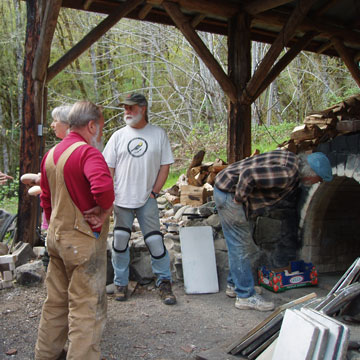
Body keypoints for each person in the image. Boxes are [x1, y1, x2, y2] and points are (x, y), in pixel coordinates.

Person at [35, 101, 115, 360]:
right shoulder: (88, 154)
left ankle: (45, 355)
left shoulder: (50, 154)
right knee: (85, 306)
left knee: (55, 303)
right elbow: (103, 189)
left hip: (56, 239)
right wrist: (103, 211)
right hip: (81, 243)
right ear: (91, 125)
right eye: (100, 127)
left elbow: (45, 199)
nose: (99, 132)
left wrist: (55, 227)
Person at [213, 150, 333, 312]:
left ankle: (235, 285)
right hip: (229, 194)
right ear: (311, 173)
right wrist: (238, 200)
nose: (315, 183)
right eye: (317, 179)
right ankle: (245, 296)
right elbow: (249, 174)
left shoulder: (292, 159)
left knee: (240, 244)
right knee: (240, 246)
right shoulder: (287, 173)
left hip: (227, 188)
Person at [102, 93, 176, 305]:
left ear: (143, 108)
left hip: (147, 198)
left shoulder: (158, 134)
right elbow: (109, 168)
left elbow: (165, 165)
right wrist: (110, 194)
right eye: (125, 108)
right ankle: (121, 284)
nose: (127, 112)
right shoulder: (117, 136)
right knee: (120, 241)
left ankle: (164, 283)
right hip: (121, 198)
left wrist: (155, 191)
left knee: (154, 240)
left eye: (131, 108)